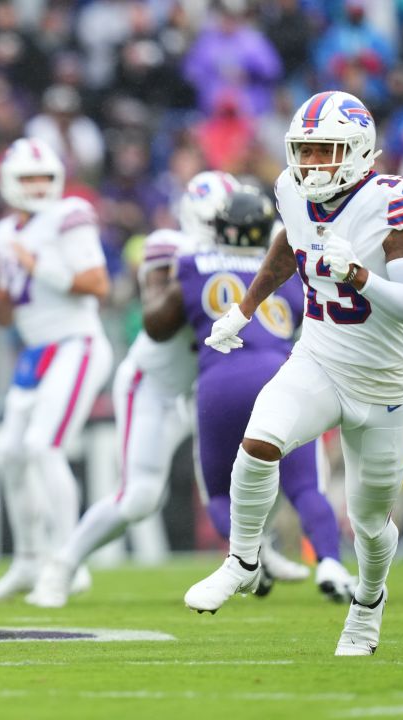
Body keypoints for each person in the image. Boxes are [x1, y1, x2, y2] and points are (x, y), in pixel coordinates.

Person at [183, 90, 403, 657]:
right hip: (319, 359)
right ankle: (242, 560)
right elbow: (288, 244)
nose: (312, 165)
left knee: (371, 523)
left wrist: (358, 277)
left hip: (383, 387)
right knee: (258, 444)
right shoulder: (292, 192)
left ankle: (368, 606)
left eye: (326, 151)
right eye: (305, 151)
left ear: (358, 150)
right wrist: (245, 308)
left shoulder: (391, 202)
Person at [25, 170, 310, 608]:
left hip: (207, 386)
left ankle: (258, 551)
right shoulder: (175, 250)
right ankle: (61, 567)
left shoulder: (256, 248)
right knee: (139, 497)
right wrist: (194, 274)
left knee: (250, 470)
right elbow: (158, 325)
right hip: (154, 387)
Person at [146, 186, 357, 603]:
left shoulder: (192, 263)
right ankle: (330, 562)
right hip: (278, 374)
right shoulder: (288, 267)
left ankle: (250, 557)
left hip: (220, 380)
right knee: (305, 486)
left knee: (222, 491)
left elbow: (159, 325)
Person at [0, 138, 114, 602]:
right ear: (8, 183)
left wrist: (39, 266)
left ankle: (69, 561)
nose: (37, 187)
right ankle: (29, 560)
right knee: (11, 451)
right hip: (36, 351)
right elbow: (4, 316)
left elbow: (98, 284)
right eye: (27, 179)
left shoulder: (68, 215)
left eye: (44, 178)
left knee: (43, 446)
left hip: (76, 341)